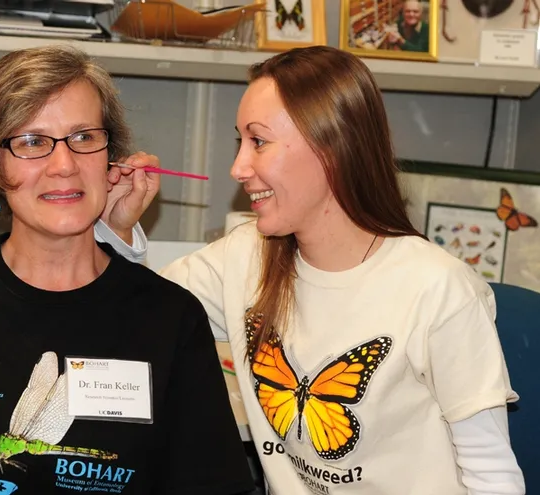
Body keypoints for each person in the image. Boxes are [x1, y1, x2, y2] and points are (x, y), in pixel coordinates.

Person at [95, 46, 526, 495]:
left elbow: (493, 478)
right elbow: (133, 315)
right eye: (239, 141)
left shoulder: (438, 290)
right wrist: (116, 228)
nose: (238, 168)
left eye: (258, 141)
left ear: (331, 148)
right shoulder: (246, 255)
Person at [0, 46, 255, 495]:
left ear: (111, 159)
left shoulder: (171, 317)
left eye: (83, 137)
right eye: (31, 141)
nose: (64, 165)